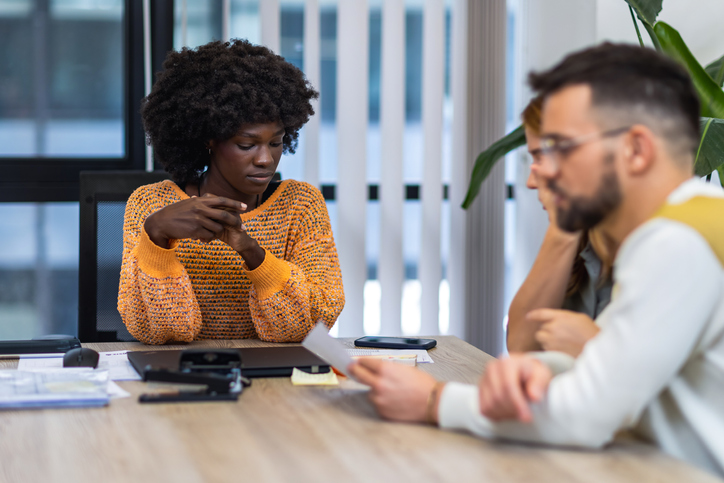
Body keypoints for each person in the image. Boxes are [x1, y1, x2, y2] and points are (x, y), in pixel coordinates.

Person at [349, 43, 724, 477]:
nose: (539, 172)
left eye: (560, 147)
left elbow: (586, 414)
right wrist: (542, 369)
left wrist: (434, 401)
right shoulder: (687, 223)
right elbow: (627, 366)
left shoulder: (676, 241)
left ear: (636, 150)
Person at [118, 39, 344, 345]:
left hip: (277, 381)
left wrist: (252, 252)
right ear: (209, 139)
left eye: (276, 142)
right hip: (183, 377)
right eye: (247, 145)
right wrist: (156, 237)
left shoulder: (300, 206)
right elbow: (162, 332)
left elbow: (309, 329)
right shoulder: (152, 205)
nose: (265, 159)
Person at [507, 96, 615, 357]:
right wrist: (563, 228)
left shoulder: (665, 243)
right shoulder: (585, 239)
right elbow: (522, 346)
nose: (532, 182)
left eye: (540, 158)